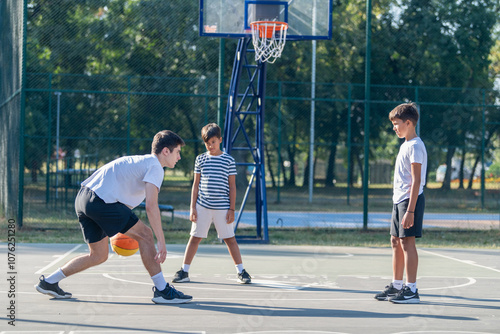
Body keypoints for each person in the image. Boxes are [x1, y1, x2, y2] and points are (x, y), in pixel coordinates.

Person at [35, 130, 193, 304]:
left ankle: (49, 282)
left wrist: (116, 228)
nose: (179, 157)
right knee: (146, 235)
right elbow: (151, 206)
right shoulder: (155, 166)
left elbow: (121, 198)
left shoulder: (140, 162)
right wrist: (161, 241)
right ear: (165, 151)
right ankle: (162, 290)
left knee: (98, 255)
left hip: (83, 199)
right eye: (177, 152)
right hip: (100, 202)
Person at [172, 123, 251, 284]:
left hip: (223, 208)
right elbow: (195, 185)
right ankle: (184, 271)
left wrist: (232, 209)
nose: (210, 145)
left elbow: (232, 187)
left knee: (230, 239)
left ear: (220, 140)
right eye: (207, 142)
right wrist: (192, 207)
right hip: (202, 207)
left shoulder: (228, 160)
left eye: (213, 142)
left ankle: (241, 271)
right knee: (194, 237)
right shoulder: (200, 159)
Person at [374, 103, 427, 304]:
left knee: (407, 242)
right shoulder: (405, 144)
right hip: (399, 201)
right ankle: (396, 285)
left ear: (408, 123)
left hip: (409, 201)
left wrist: (410, 210)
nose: (394, 128)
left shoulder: (415, 146)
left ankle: (411, 289)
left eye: (396, 124)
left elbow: (416, 181)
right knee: (395, 241)